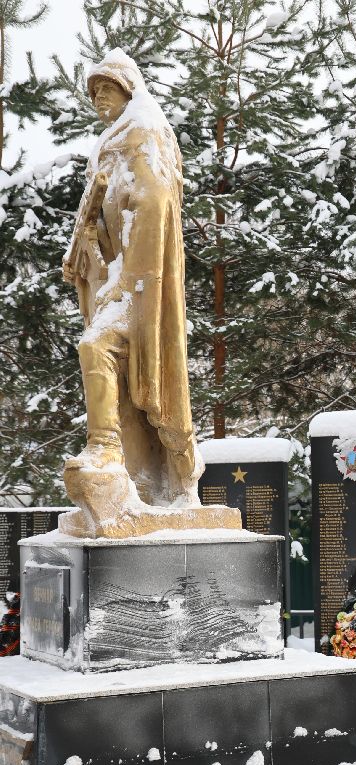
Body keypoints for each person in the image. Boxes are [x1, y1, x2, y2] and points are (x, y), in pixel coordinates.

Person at [62, 48, 200, 507]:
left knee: (96, 346)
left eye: (108, 88)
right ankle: (128, 467)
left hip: (141, 282)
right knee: (102, 356)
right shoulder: (111, 142)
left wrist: (129, 277)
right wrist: (85, 245)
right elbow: (100, 213)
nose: (100, 98)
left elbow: (154, 199)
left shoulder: (144, 131)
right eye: (95, 91)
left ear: (128, 89)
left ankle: (109, 448)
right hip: (116, 279)